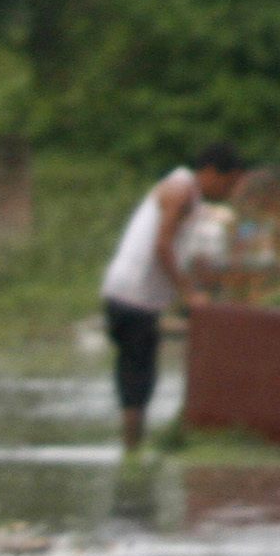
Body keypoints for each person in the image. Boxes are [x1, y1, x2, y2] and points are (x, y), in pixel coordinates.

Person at [99, 142, 244, 456]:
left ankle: (133, 446)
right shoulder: (179, 190)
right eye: (228, 182)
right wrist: (188, 293)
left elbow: (183, 251)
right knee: (137, 378)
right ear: (208, 173)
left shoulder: (193, 201)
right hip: (131, 296)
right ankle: (131, 451)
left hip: (142, 299)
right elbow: (162, 246)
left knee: (142, 376)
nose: (228, 191)